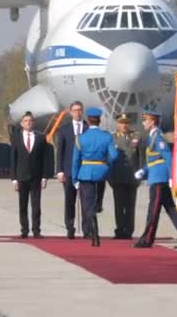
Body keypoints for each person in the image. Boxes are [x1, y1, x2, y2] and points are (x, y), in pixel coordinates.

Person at [133, 110, 177, 249]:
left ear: (152, 121)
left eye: (145, 120)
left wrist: (172, 177)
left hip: (159, 179)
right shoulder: (153, 136)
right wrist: (144, 170)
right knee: (171, 209)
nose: (143, 123)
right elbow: (155, 159)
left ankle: (147, 239)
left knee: (153, 211)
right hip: (155, 176)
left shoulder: (158, 137)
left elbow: (167, 157)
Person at [71, 107, 118, 247]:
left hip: (86, 173)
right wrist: (106, 165)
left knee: (88, 205)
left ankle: (94, 233)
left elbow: (75, 161)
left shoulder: (81, 138)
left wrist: (74, 178)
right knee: (96, 203)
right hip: (102, 172)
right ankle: (98, 208)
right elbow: (114, 155)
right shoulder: (106, 136)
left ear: (88, 121)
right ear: (99, 120)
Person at [10, 111, 50, 238]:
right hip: (21, 176)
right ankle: (24, 230)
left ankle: (36, 230)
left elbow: (45, 159)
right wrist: (14, 179)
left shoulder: (40, 137)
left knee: (36, 205)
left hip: (36, 176)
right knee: (23, 205)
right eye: (26, 121)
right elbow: (13, 159)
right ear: (22, 124)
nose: (28, 123)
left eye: (30, 121)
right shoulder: (16, 138)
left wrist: (45, 176)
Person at [56, 101, 91, 239]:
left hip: (85, 171)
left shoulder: (88, 128)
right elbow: (60, 151)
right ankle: (70, 227)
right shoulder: (64, 129)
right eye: (75, 110)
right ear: (71, 112)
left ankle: (87, 229)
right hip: (69, 171)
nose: (78, 112)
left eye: (80, 110)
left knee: (85, 202)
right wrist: (59, 171)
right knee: (69, 201)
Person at [108, 113, 142, 239]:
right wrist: (109, 177)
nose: (124, 125)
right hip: (117, 177)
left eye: (126, 123)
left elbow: (140, 157)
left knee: (130, 206)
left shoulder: (136, 136)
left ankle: (129, 230)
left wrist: (141, 174)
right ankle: (120, 229)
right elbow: (109, 158)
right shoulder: (112, 138)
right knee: (119, 205)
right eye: (122, 123)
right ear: (117, 124)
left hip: (132, 178)